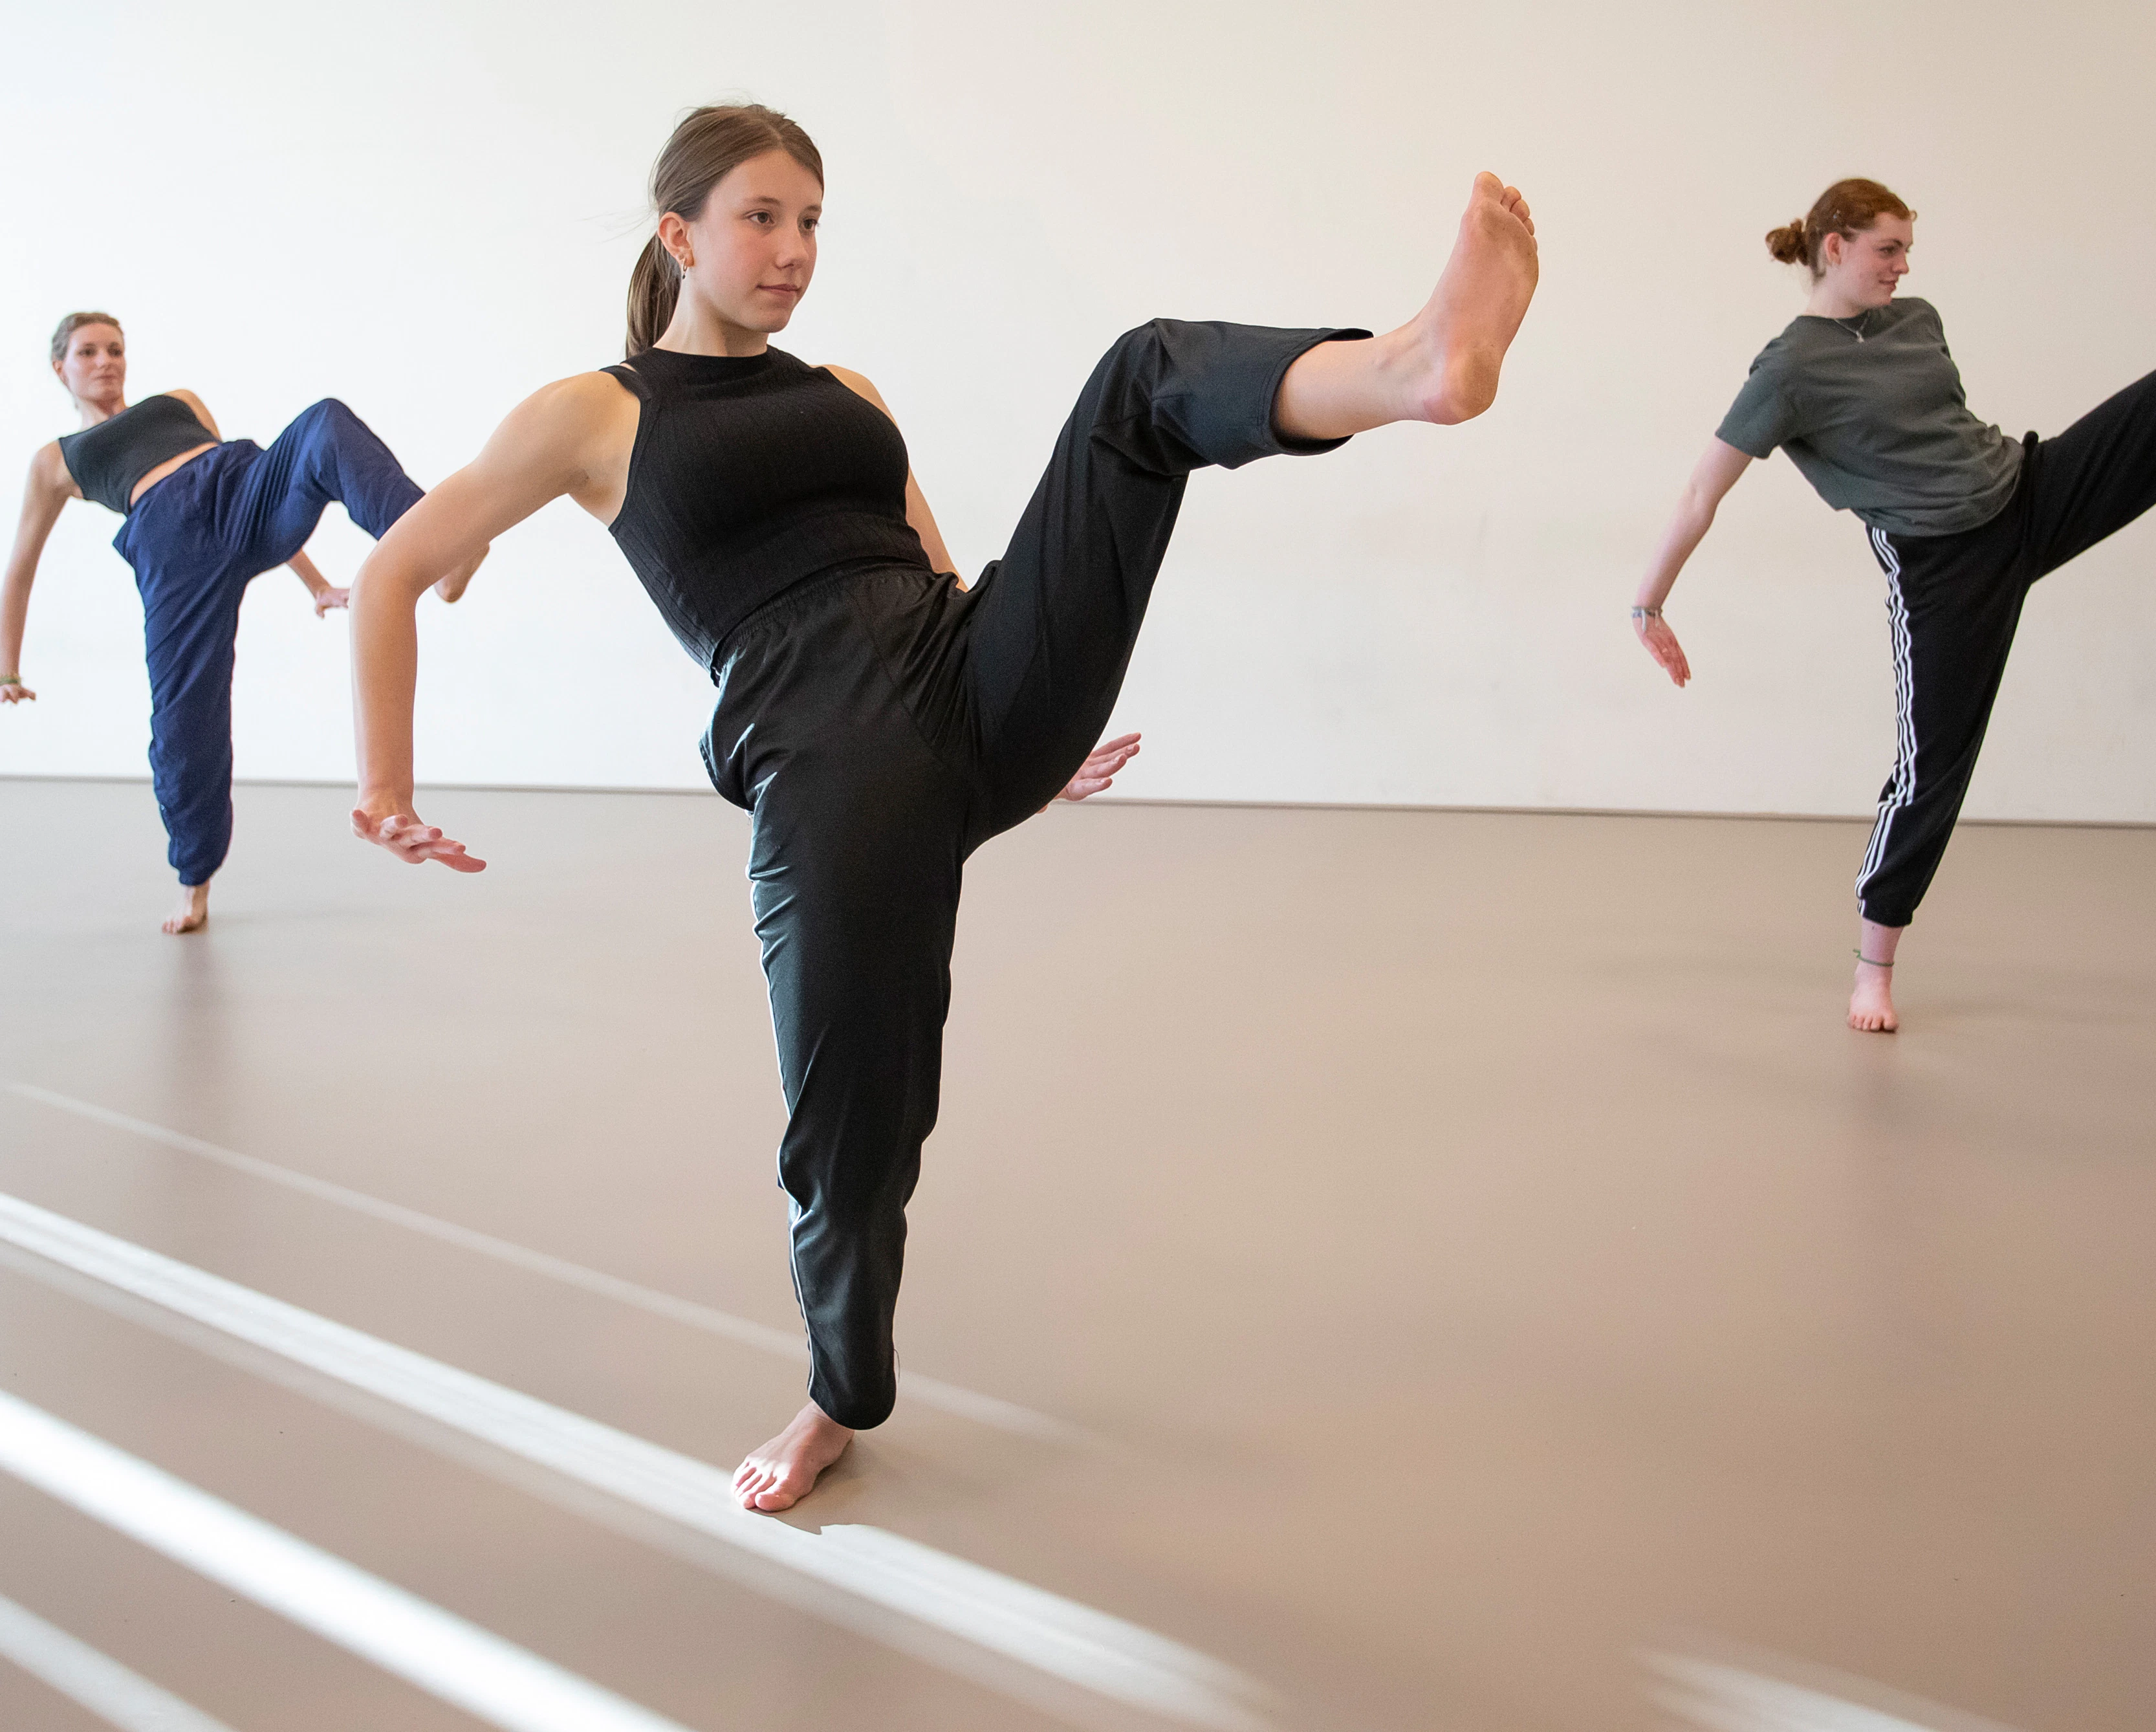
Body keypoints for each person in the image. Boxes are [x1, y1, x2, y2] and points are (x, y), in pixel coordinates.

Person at [347, 102, 1539, 1511]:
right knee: (852, 1138)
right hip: (829, 755)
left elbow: (936, 571)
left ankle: (1412, 368)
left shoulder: (845, 387)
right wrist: (384, 785)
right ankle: (835, 1398)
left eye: (810, 222)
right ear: (679, 234)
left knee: (1141, 377)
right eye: (761, 218)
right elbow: (394, 570)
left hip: (963, 676)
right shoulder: (594, 412)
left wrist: (1044, 715)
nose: (793, 250)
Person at [1632, 177, 2156, 1033]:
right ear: (1832, 247)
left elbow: (1943, 430)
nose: (1903, 266)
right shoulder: (1790, 368)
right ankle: (1871, 971)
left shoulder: (1918, 319)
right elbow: (1700, 492)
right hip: (1942, 568)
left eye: (1907, 249)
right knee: (1931, 767)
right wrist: (1647, 605)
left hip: (2027, 489)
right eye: (1888, 248)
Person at [1, 312, 485, 934]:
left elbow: (251, 497)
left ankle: (440, 550)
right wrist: (9, 667)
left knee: (323, 423)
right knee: (182, 721)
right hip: (171, 547)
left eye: (115, 349)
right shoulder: (54, 461)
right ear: (59, 367)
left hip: (235, 485)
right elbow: (18, 567)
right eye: (88, 351)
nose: (105, 361)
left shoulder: (179, 402)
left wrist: (314, 584)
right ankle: (194, 881)